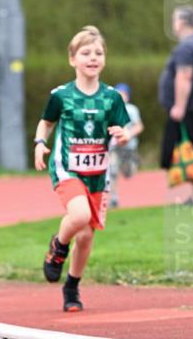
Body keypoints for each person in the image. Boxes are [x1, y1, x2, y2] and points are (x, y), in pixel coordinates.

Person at [33, 25, 135, 312]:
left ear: (104, 59)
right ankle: (58, 246)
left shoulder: (112, 97)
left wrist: (123, 136)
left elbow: (124, 129)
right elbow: (46, 123)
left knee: (87, 236)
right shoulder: (61, 95)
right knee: (79, 215)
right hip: (67, 168)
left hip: (98, 174)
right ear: (72, 59)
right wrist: (40, 143)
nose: (93, 57)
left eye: (98, 53)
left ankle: (72, 287)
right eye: (86, 53)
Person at [158, 6, 193, 206]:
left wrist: (179, 106)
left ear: (181, 22)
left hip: (189, 108)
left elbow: (184, 76)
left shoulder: (186, 47)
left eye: (174, 20)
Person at [107, 82, 144, 208]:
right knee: (112, 171)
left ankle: (133, 163)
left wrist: (129, 134)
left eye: (124, 94)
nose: (121, 97)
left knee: (128, 173)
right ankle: (114, 199)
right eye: (119, 94)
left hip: (129, 148)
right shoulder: (110, 109)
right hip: (114, 148)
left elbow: (139, 126)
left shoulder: (132, 110)